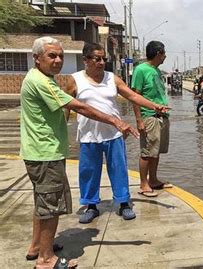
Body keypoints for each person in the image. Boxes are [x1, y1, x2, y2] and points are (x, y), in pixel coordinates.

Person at [21, 36, 138, 269]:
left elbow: (129, 94)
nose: (57, 60)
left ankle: (37, 246)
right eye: (51, 56)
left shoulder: (44, 79)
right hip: (45, 152)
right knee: (51, 206)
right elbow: (79, 107)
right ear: (37, 58)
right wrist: (116, 121)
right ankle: (46, 260)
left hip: (44, 150)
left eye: (60, 56)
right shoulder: (43, 82)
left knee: (43, 203)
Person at [64, 43, 169, 223]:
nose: (101, 62)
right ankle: (91, 206)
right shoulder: (74, 80)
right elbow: (66, 106)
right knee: (89, 172)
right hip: (89, 136)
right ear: (86, 60)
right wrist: (61, 131)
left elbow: (132, 96)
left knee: (119, 170)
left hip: (114, 134)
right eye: (97, 59)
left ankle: (123, 204)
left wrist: (153, 105)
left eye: (104, 59)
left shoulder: (112, 78)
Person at [132, 41, 173, 197]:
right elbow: (135, 96)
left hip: (161, 116)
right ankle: (143, 184)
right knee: (147, 151)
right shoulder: (141, 70)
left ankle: (153, 180)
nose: (165, 56)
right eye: (164, 53)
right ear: (158, 53)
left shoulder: (156, 71)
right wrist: (139, 120)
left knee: (156, 152)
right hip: (148, 116)